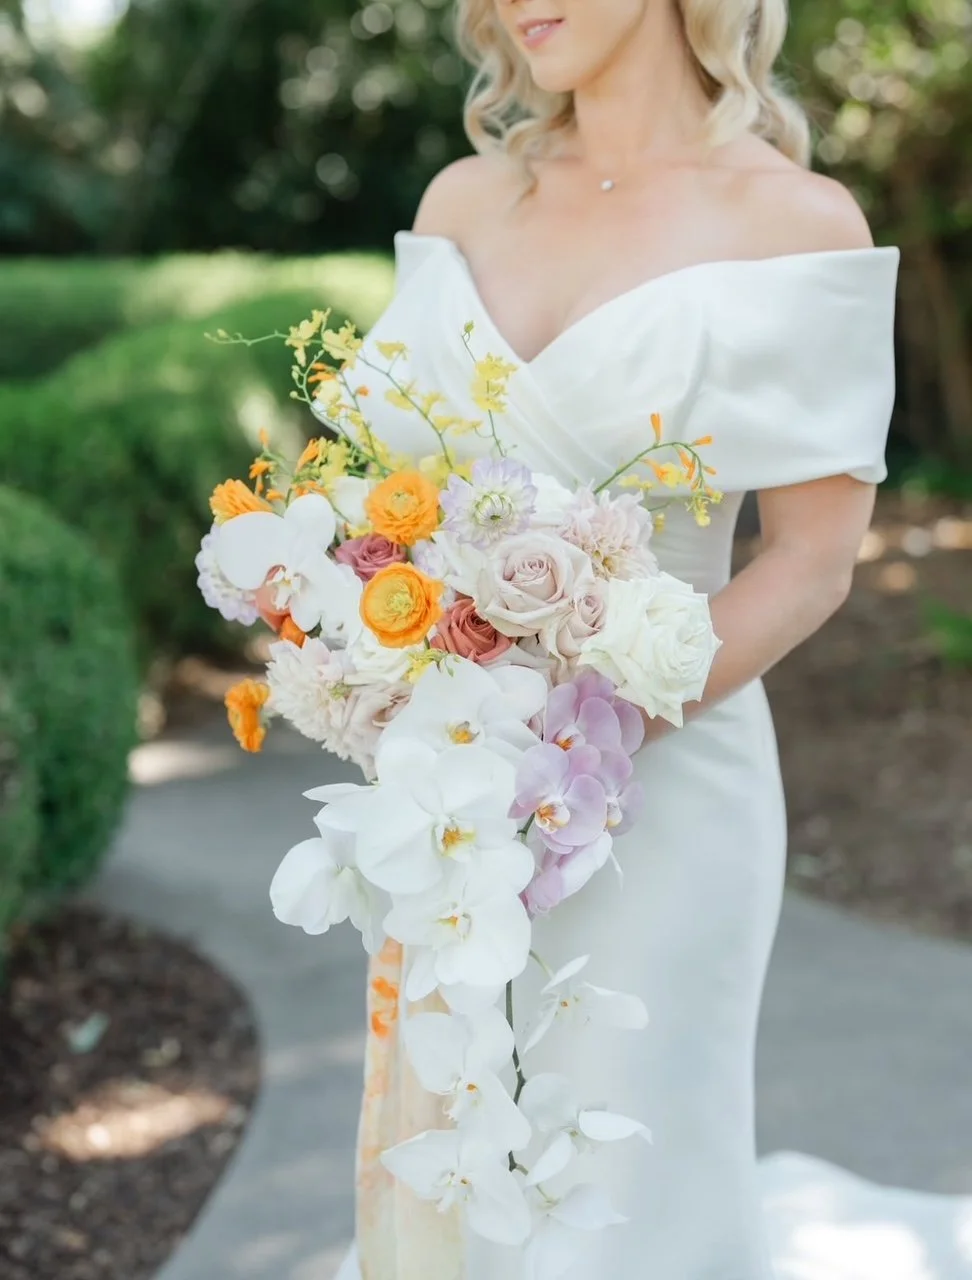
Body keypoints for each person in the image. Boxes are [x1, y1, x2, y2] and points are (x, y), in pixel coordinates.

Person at [337, 1, 901, 1276]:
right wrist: (372, 660)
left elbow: (810, 562)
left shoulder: (797, 225)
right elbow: (386, 502)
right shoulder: (464, 200)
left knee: (625, 1197)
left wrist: (580, 743)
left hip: (664, 793)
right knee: (457, 1153)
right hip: (445, 796)